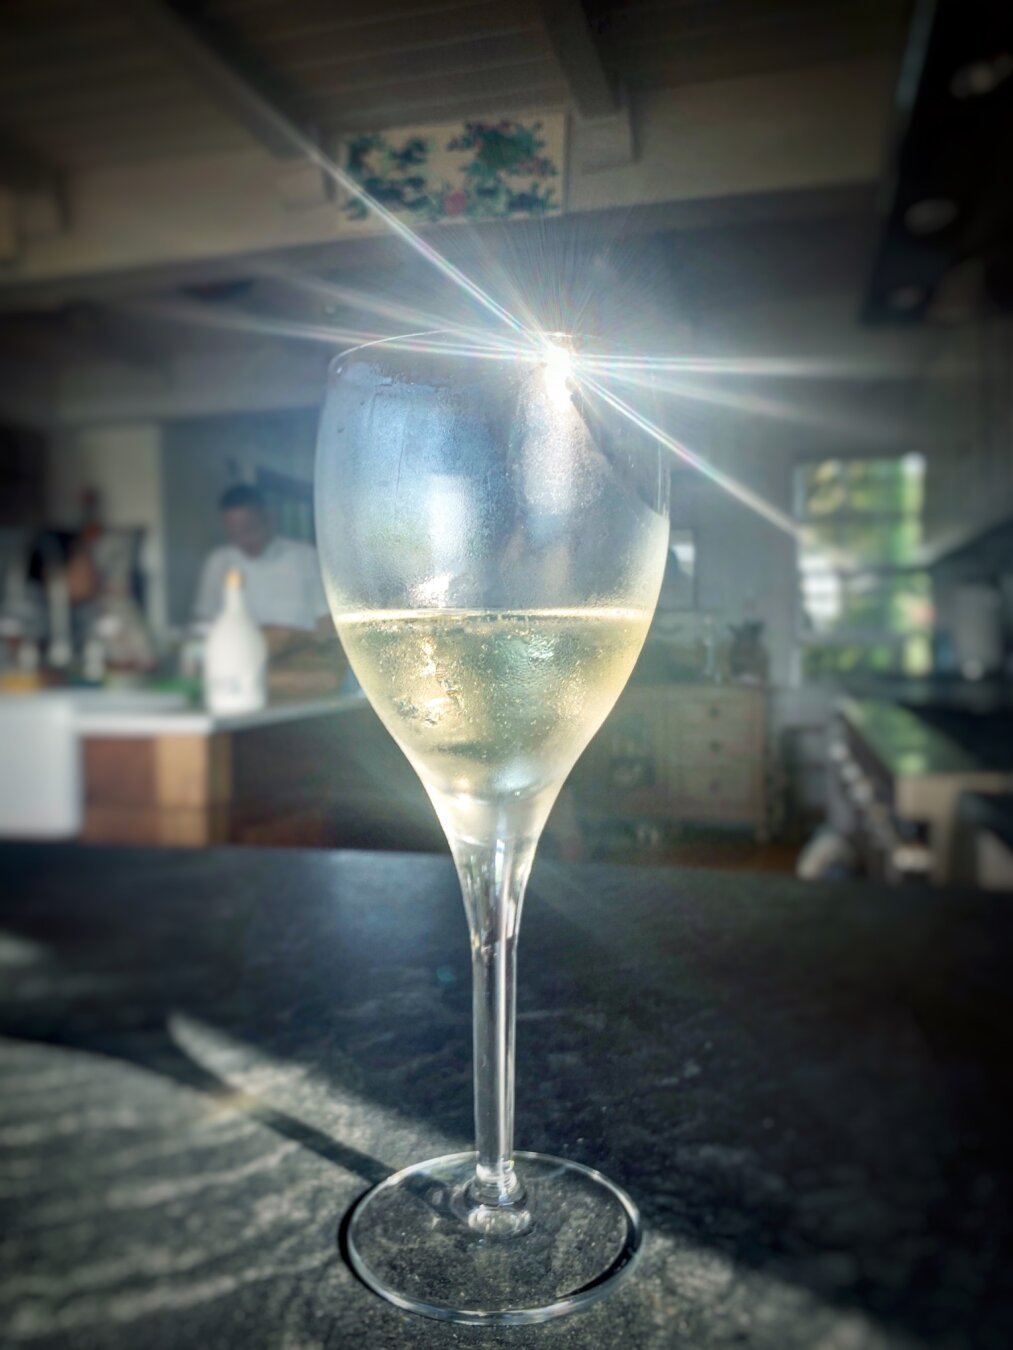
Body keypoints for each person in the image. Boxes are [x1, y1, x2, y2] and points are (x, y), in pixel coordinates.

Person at [193, 484, 328, 633]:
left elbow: (325, 618)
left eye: (249, 530)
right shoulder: (219, 562)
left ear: (268, 519)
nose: (243, 540)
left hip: (302, 653)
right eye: (234, 534)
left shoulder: (305, 557)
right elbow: (205, 621)